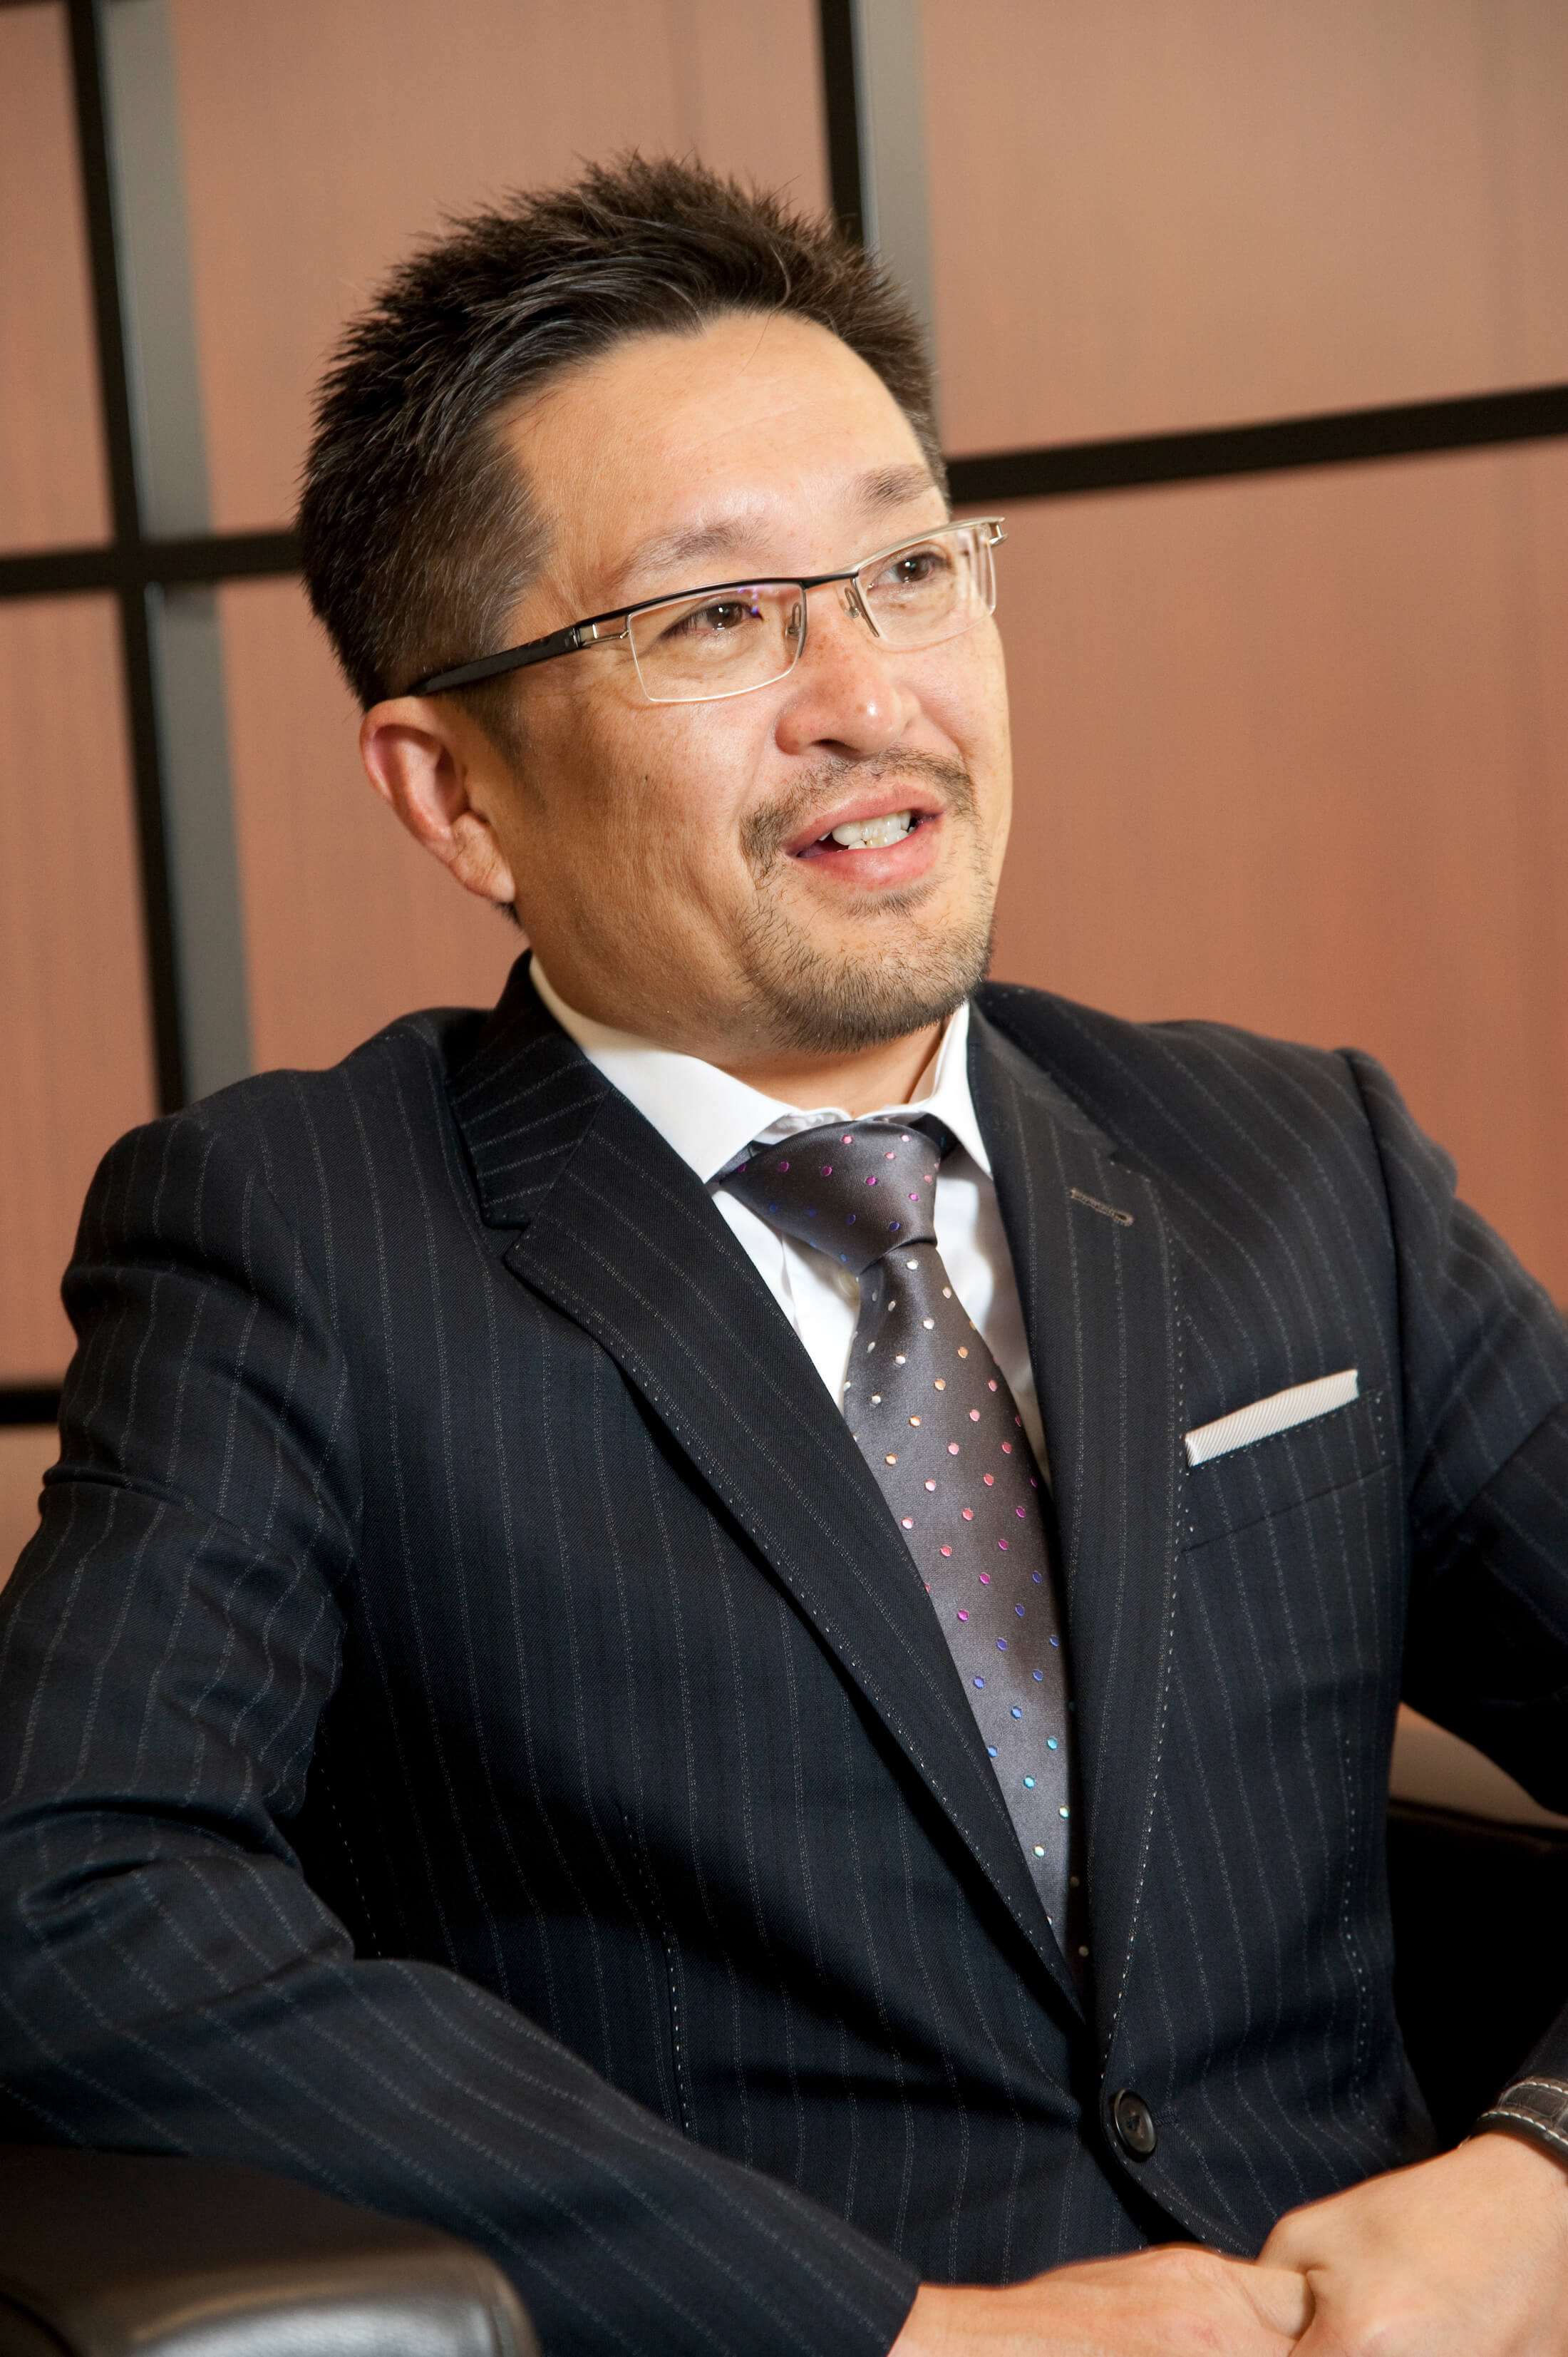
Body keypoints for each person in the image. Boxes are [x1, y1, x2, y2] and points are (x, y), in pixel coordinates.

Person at [1, 155, 1566, 2357]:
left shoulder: (1300, 1160)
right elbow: (70, 1891)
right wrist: (896, 2331)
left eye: (908, 568)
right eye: (715, 619)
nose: (865, 696)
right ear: (454, 792)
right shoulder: (297, 1236)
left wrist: (1540, 2183)